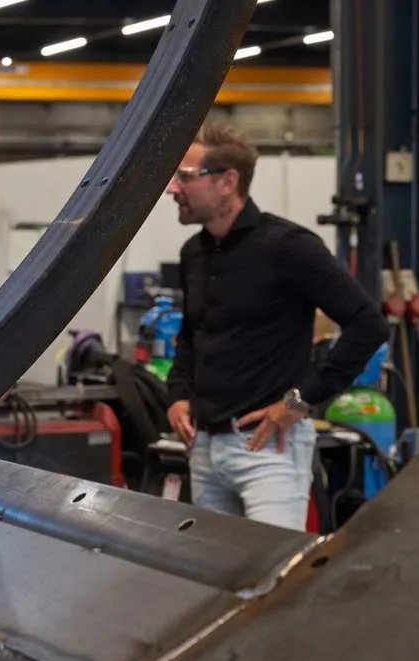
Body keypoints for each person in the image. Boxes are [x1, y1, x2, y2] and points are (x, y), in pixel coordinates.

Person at [164, 121, 389, 530]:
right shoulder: (193, 253)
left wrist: (300, 403)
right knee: (213, 579)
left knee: (272, 580)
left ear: (227, 182)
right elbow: (192, 337)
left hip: (269, 450)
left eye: (184, 177)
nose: (172, 189)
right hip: (203, 445)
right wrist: (177, 395)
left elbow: (368, 324)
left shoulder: (289, 247)